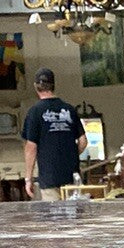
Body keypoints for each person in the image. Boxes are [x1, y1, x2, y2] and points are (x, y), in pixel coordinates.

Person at [22, 69, 87, 201]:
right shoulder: (69, 109)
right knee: (74, 216)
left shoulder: (34, 112)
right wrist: (70, 156)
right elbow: (83, 141)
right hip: (72, 176)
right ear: (53, 85)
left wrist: (29, 179)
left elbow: (31, 147)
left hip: (48, 176)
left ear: (36, 86)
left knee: (54, 219)